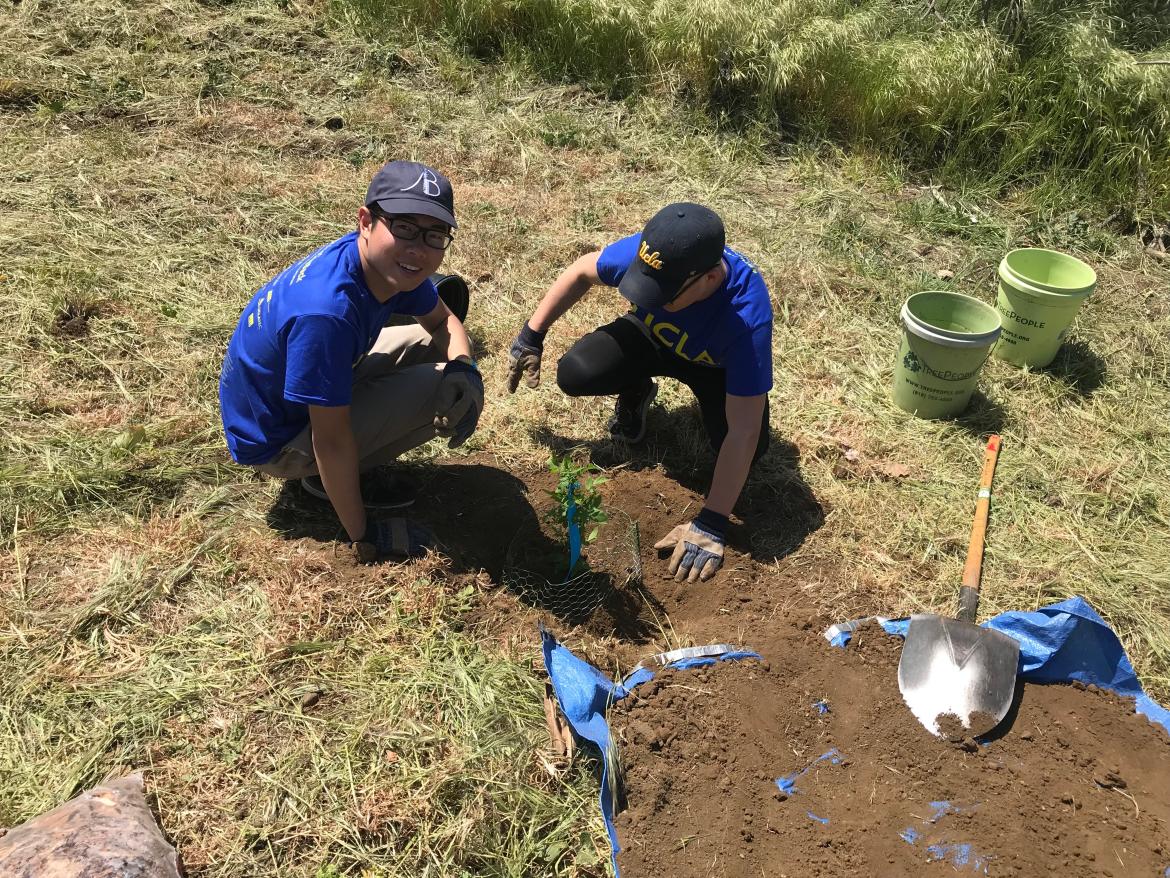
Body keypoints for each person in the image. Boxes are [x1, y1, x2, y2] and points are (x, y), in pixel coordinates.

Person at [219, 160, 483, 562]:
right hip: (279, 440)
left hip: (295, 397)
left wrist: (466, 369)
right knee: (436, 390)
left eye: (434, 234)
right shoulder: (327, 315)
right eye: (405, 228)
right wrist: (364, 534)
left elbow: (443, 320)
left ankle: (339, 469)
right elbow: (330, 439)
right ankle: (325, 483)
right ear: (366, 221)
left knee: (443, 360)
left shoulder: (382, 265)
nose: (418, 248)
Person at [506, 203, 773, 583]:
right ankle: (637, 387)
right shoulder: (657, 253)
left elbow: (744, 431)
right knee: (577, 373)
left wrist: (712, 522)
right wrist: (531, 335)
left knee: (751, 447)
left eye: (662, 293)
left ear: (710, 280)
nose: (649, 295)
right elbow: (582, 269)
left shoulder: (745, 320)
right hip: (651, 339)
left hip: (715, 368)